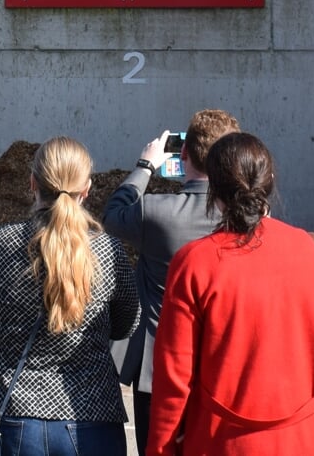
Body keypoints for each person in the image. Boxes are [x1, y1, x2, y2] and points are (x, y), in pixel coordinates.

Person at [150, 132, 314, 456]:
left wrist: (160, 449)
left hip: (227, 443)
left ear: (213, 190)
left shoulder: (194, 264)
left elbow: (174, 381)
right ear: (270, 181)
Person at [0, 137, 139, 456]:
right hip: (91, 411)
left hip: (13, 410)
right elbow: (125, 326)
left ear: (32, 182)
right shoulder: (108, 251)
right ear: (87, 189)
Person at [101, 108, 239, 455]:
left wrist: (146, 165)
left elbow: (113, 216)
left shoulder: (157, 212)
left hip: (158, 367)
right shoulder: (245, 218)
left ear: (185, 154)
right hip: (225, 363)